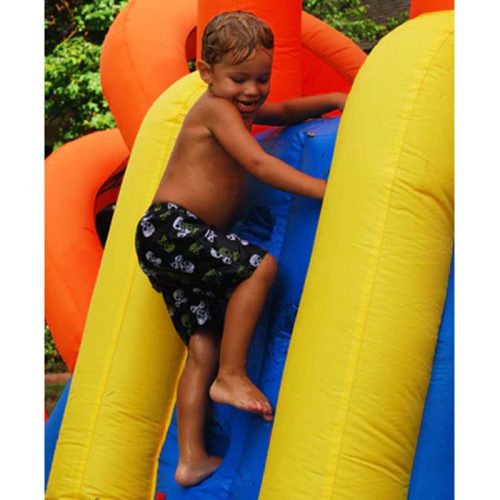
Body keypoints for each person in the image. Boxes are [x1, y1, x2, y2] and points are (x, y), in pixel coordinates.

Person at [135, 10, 347, 487]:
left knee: (201, 346)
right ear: (206, 74)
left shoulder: (237, 105)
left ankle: (191, 458)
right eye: (239, 79)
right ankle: (231, 375)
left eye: (262, 79)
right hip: (173, 229)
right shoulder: (214, 109)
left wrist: (332, 100)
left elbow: (285, 111)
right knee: (258, 267)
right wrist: (327, 190)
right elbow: (258, 163)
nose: (253, 91)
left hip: (168, 242)